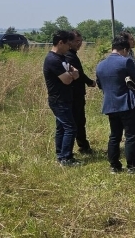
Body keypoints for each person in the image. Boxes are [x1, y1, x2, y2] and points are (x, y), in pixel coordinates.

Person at [96, 35, 135, 174]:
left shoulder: (100, 64)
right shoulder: (126, 61)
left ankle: (114, 166)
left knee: (114, 136)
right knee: (131, 136)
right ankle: (132, 167)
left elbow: (100, 85)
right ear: (124, 49)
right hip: (126, 104)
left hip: (110, 105)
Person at [43, 30, 81, 166]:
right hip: (58, 100)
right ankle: (66, 158)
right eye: (68, 44)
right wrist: (72, 75)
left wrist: (72, 74)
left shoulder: (62, 58)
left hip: (65, 98)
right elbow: (67, 80)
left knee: (62, 128)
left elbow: (76, 73)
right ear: (60, 42)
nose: (69, 47)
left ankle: (61, 154)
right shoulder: (52, 60)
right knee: (71, 128)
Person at [65, 30, 96, 154]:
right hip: (74, 94)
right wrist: (90, 82)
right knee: (76, 121)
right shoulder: (69, 55)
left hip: (77, 93)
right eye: (77, 41)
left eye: (81, 41)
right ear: (69, 42)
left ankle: (82, 145)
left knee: (79, 121)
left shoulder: (72, 54)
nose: (79, 44)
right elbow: (79, 74)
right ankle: (81, 147)